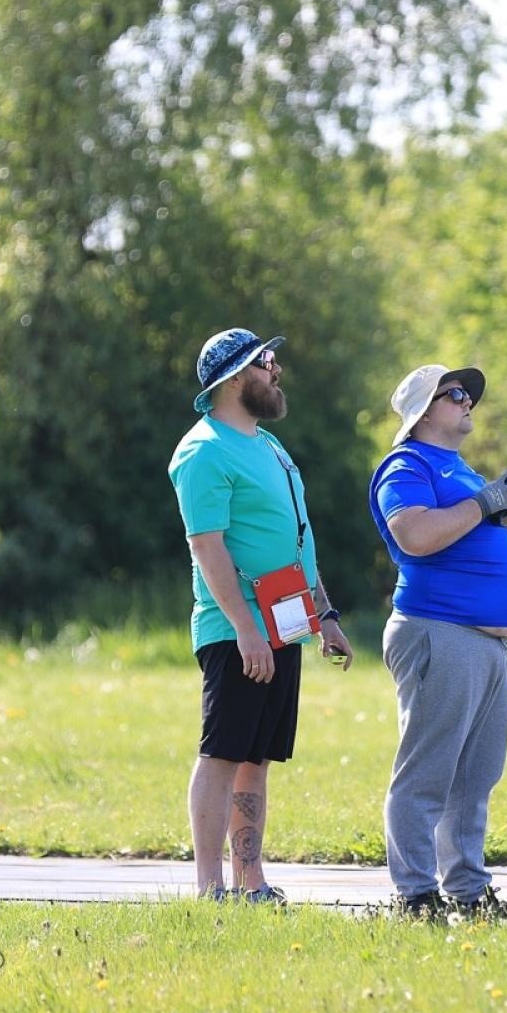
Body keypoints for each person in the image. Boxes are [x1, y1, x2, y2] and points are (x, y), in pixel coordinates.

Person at [168, 327, 354, 903]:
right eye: (265, 362)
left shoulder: (270, 446)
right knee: (222, 752)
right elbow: (207, 545)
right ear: (232, 379)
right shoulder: (203, 451)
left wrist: (324, 615)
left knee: (256, 758)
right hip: (236, 630)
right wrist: (246, 629)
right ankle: (210, 889)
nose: (276, 371)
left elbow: (297, 543)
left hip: (287, 623)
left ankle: (251, 884)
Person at [368, 363, 507, 921]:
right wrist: (484, 504)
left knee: (475, 776)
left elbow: (465, 531)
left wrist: (504, 515)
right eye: (456, 394)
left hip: (481, 642)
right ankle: (415, 895)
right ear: (424, 410)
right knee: (428, 772)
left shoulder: (456, 468)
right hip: (438, 632)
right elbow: (415, 535)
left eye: (469, 395)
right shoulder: (408, 464)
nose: (469, 402)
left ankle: (467, 893)